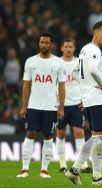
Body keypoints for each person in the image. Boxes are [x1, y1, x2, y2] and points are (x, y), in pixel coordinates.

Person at [65, 21, 102, 186]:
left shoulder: (84, 49)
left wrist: (84, 89)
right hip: (98, 98)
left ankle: (74, 170)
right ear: (95, 34)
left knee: (96, 137)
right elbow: (94, 70)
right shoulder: (94, 50)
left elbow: (74, 71)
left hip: (89, 98)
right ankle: (97, 178)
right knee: (100, 137)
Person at [16, 32, 66, 178]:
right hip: (33, 105)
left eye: (46, 43)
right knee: (30, 133)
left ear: (51, 45)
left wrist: (61, 107)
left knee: (48, 136)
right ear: (39, 43)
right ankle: (24, 169)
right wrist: (24, 106)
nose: (43, 45)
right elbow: (26, 85)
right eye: (41, 42)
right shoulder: (30, 62)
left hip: (51, 107)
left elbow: (62, 87)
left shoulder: (58, 63)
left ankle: (44, 170)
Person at [56, 38, 92, 173]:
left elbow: (85, 81)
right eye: (66, 47)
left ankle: (83, 164)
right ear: (62, 48)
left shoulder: (79, 63)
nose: (68, 49)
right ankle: (62, 164)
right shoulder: (57, 63)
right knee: (60, 134)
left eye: (71, 46)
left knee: (79, 133)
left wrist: (85, 99)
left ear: (74, 48)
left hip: (77, 104)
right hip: (61, 105)